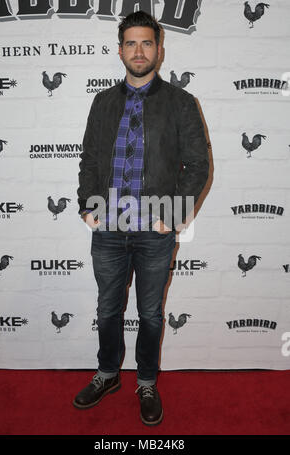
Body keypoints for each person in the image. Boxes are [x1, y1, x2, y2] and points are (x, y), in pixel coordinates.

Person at [74, 11, 209, 426]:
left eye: (146, 43)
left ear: (159, 50)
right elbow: (91, 160)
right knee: (108, 309)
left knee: (150, 314)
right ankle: (108, 374)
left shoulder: (181, 103)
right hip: (109, 229)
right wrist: (87, 206)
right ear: (120, 50)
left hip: (155, 231)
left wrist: (175, 214)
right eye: (131, 43)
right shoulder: (103, 102)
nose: (138, 50)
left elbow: (198, 165)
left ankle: (146, 381)